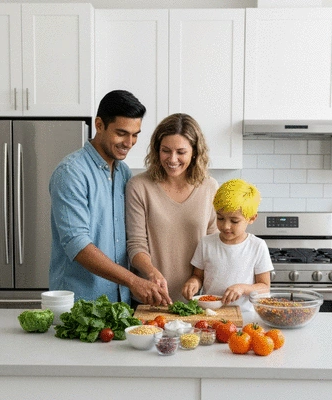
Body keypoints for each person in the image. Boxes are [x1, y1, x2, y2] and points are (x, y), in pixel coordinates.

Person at [49, 90, 171, 306]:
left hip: (119, 304)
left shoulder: (123, 172)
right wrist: (133, 281)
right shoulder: (70, 172)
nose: (129, 142)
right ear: (99, 125)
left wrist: (149, 272)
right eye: (122, 133)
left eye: (135, 134)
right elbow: (77, 244)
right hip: (80, 305)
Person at [126, 113, 219, 303]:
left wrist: (196, 278)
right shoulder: (139, 186)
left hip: (196, 300)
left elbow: (213, 246)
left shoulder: (210, 187)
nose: (172, 159)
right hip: (150, 298)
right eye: (165, 150)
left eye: (181, 152)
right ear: (156, 150)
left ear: (194, 152)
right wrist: (151, 273)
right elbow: (136, 245)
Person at [182, 178, 273, 312]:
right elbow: (198, 276)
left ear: (252, 218)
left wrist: (243, 288)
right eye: (220, 218)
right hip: (211, 313)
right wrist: (193, 282)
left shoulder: (257, 246)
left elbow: (265, 286)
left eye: (234, 221)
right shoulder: (206, 243)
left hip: (244, 314)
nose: (226, 226)